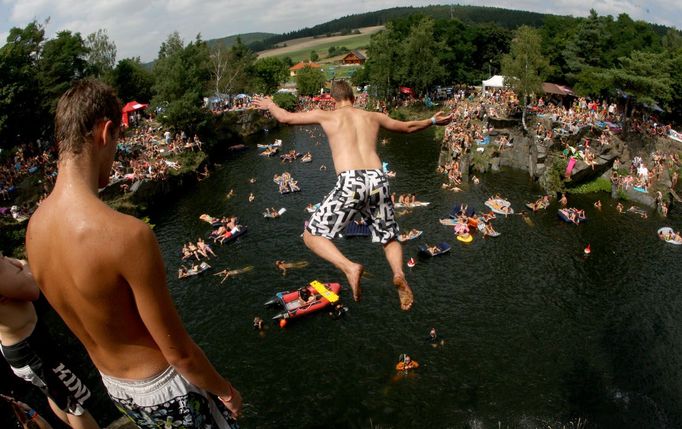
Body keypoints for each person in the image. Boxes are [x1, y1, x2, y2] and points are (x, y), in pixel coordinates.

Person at [25, 80, 241, 427]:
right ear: (106, 132)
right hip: (164, 389)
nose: (116, 154)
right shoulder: (126, 234)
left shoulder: (33, 230)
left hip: (116, 388)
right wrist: (226, 390)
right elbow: (180, 353)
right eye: (117, 142)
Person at [254, 81, 453, 311]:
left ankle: (349, 267)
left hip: (351, 181)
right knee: (389, 237)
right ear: (354, 98)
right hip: (378, 179)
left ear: (332, 99)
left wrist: (269, 103)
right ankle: (398, 273)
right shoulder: (373, 116)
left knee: (311, 235)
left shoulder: (327, 116)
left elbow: (286, 118)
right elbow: (407, 127)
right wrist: (433, 120)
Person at [1, 256, 99, 429]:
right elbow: (32, 289)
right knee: (74, 404)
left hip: (24, 344)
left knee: (54, 393)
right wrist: (24, 266)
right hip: (30, 348)